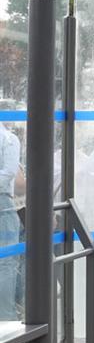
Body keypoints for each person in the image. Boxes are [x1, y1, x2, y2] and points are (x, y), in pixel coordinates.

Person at [0, 121, 23, 319]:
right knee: (6, 262)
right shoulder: (8, 139)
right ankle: (5, 315)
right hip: (3, 204)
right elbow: (9, 173)